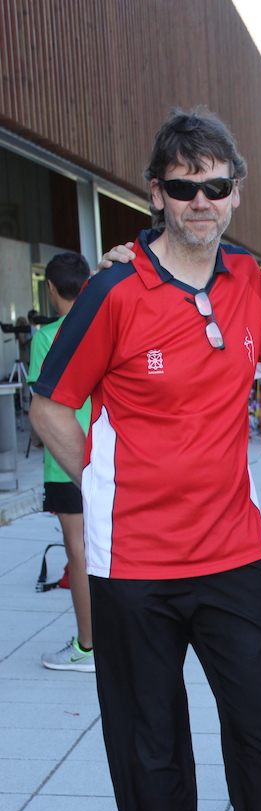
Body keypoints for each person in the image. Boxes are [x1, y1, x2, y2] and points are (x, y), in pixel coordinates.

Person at [29, 107, 261, 811]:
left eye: (214, 186)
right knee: (150, 740)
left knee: (260, 735)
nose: (199, 201)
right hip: (134, 565)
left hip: (237, 556)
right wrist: (103, 476)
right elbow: (50, 404)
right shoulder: (115, 289)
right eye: (181, 187)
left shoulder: (251, 283)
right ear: (155, 195)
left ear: (235, 193)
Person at [28, 252, 94, 672]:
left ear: (50, 289)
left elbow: (42, 409)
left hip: (65, 460)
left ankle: (88, 646)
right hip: (106, 453)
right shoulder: (102, 327)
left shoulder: (46, 337)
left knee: (80, 551)